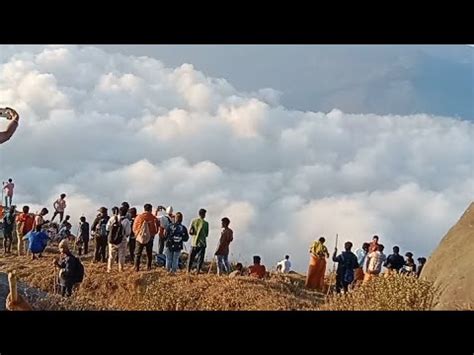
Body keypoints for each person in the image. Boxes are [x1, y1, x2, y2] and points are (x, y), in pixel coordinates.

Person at [133, 204, 159, 272]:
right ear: (150, 209)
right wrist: (153, 234)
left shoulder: (139, 217)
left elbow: (134, 228)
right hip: (150, 237)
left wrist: (137, 234)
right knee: (149, 253)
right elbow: (156, 228)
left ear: (144, 209)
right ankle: (148, 267)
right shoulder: (153, 218)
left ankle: (136, 268)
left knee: (137, 254)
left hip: (139, 237)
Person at [107, 206, 131, 272]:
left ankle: (109, 269)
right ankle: (121, 269)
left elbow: (107, 228)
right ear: (126, 213)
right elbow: (128, 232)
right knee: (121, 256)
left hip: (112, 240)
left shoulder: (112, 218)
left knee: (111, 256)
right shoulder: (126, 221)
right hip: (122, 240)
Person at [187, 208, 209, 274]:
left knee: (191, 258)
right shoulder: (206, 223)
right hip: (202, 243)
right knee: (200, 259)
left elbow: (190, 231)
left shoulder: (193, 221)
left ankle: (188, 270)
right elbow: (206, 234)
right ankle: (197, 271)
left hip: (194, 242)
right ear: (204, 215)